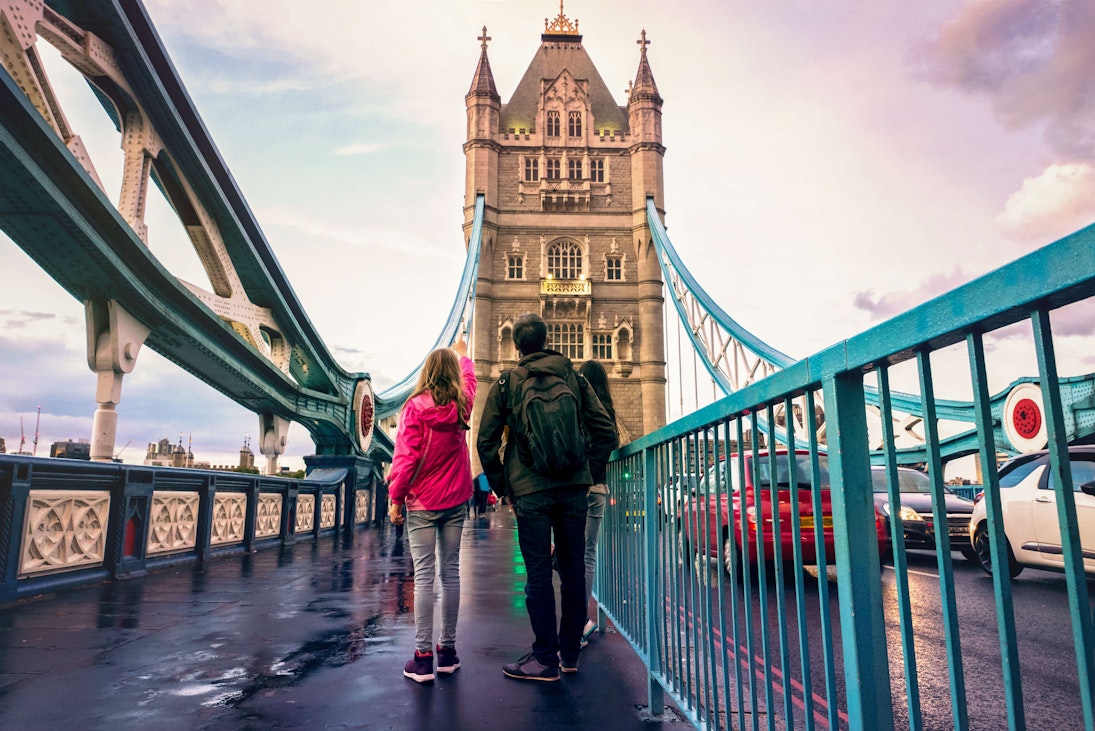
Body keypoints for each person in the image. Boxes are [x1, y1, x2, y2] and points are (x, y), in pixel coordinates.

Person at [477, 313, 617, 681]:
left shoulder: (507, 382)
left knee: (538, 574)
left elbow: (486, 441)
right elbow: (606, 432)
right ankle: (570, 654)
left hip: (529, 491)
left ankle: (545, 659)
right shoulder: (575, 376)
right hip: (573, 490)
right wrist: (586, 471)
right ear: (546, 339)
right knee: (572, 573)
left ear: (516, 345)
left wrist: (503, 487)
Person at [387, 337, 475, 684]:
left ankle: (423, 659)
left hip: (422, 502)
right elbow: (470, 380)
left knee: (424, 577)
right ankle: (448, 653)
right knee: (450, 574)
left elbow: (405, 459)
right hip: (455, 500)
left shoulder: (414, 407)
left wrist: (396, 498)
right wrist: (464, 357)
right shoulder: (462, 405)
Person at [577, 359, 621, 647]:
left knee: (571, 554)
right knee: (588, 554)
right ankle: (582, 621)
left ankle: (572, 623)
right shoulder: (607, 410)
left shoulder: (576, 405)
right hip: (598, 487)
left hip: (573, 486)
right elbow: (613, 442)